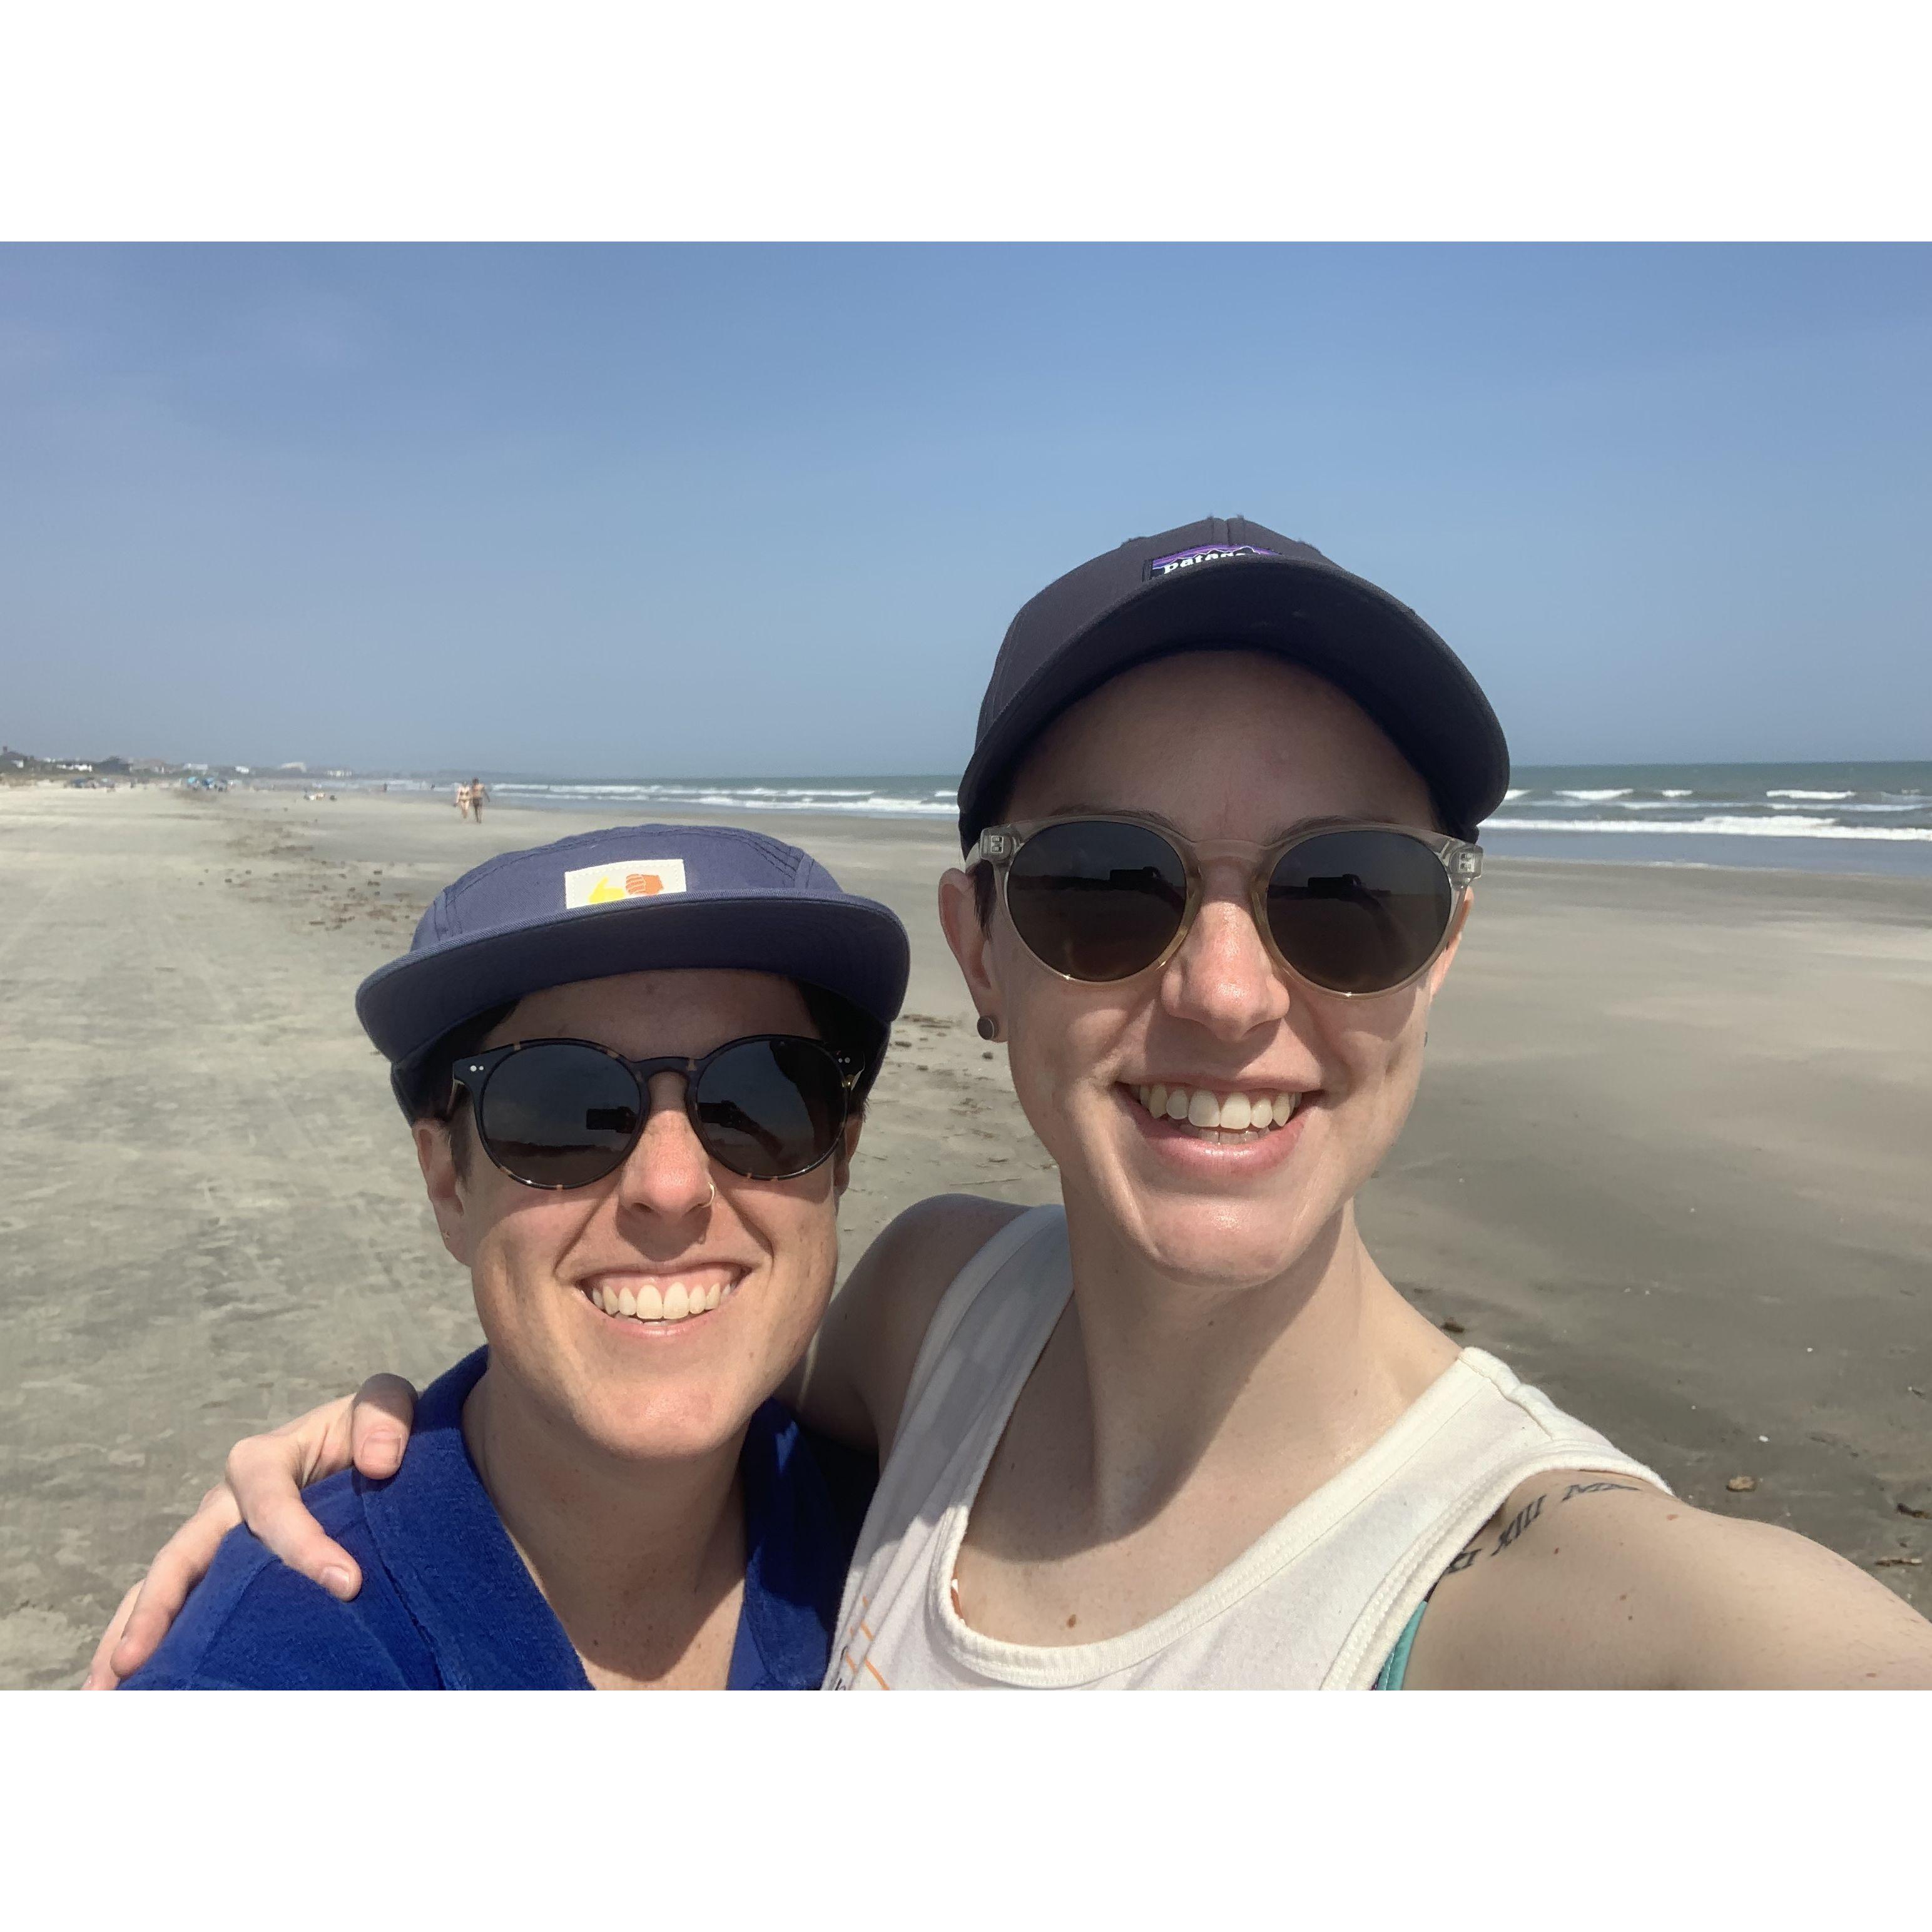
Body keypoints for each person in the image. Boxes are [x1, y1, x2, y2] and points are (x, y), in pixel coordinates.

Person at [94, 517, 1932, 1690]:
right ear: (982, 950)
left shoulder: (1599, 1622)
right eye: (1110, 889)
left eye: (1343, 893)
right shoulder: (930, 1316)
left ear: (1441, 948)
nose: (1225, 990)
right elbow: (644, 1346)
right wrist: (383, 1444)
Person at [116, 821, 905, 1689]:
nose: (672, 1185)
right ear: (450, 1185)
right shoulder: (269, 1663)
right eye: (562, 1109)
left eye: (760, 1097)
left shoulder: (919, 1535)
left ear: (842, 1158)